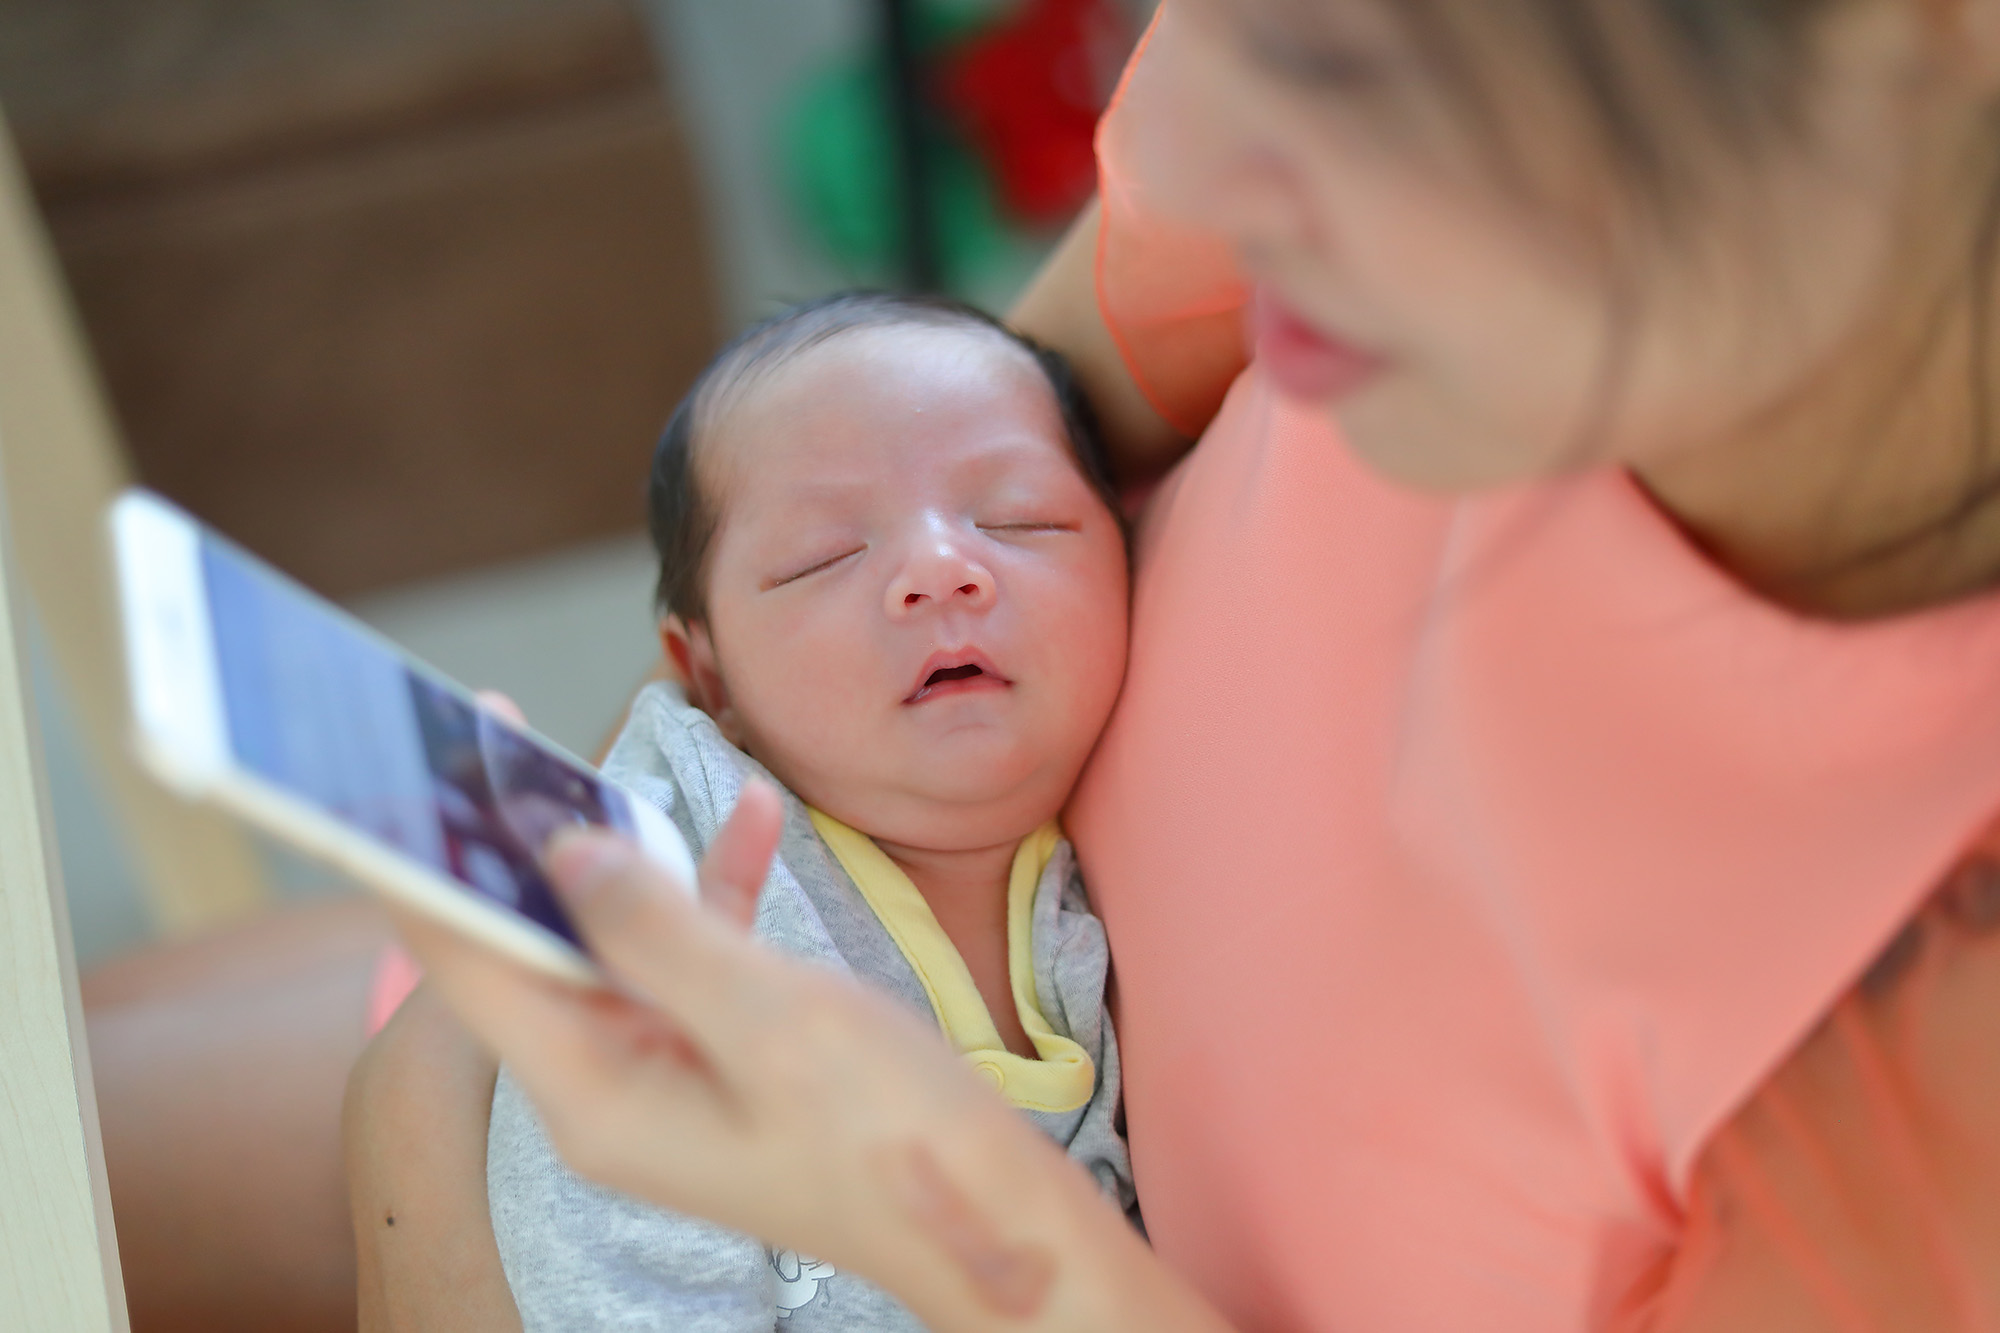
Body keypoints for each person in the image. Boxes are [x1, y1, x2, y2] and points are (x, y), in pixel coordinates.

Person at [346, 0, 2000, 1327]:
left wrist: (940, 1216)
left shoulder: (1923, 1081)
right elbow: (896, 437)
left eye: (1356, 57)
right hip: (757, 973)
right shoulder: (1307, 154)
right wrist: (703, 789)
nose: (1181, 142)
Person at [481, 289, 1136, 1329]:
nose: (937, 570)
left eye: (1018, 517)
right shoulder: (682, 866)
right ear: (711, 678)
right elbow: (604, 1254)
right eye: (824, 556)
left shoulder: (1122, 876)